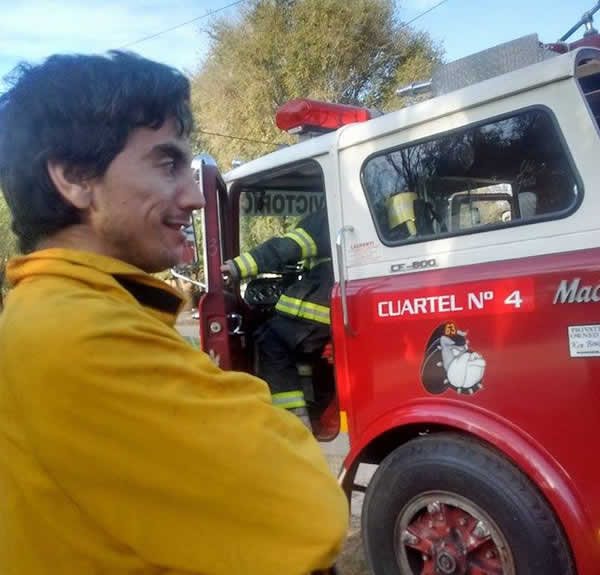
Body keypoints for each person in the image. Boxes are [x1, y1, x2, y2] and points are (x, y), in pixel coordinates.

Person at [0, 52, 348, 575]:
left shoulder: (56, 311)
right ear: (75, 178)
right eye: (166, 165)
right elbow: (309, 513)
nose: (194, 198)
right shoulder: (85, 336)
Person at [222, 209, 333, 430]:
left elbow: (285, 249)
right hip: (336, 302)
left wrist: (236, 267)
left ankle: (291, 423)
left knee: (271, 339)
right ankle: (312, 404)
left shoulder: (325, 217)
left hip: (323, 304)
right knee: (294, 344)